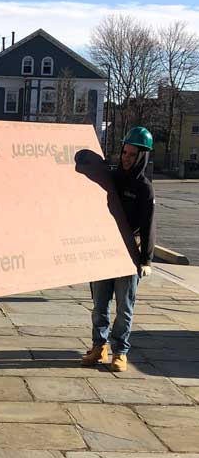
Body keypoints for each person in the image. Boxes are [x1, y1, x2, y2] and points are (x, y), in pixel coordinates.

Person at [81, 126, 156, 372]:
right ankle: (98, 346)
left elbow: (148, 226)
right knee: (99, 304)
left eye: (133, 154)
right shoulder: (110, 178)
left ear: (142, 157)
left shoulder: (144, 188)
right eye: (125, 152)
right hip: (103, 250)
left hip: (128, 254)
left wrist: (146, 259)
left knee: (124, 307)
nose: (126, 157)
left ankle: (120, 352)